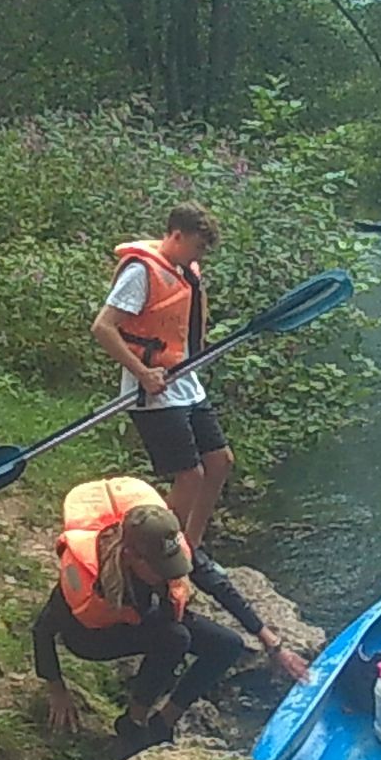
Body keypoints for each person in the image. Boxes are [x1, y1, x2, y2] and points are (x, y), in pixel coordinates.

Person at [34, 477, 309, 758]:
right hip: (92, 638)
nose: (171, 573)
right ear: (131, 556)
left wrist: (271, 642)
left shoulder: (167, 546)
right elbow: (42, 630)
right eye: (161, 567)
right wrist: (57, 688)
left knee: (227, 645)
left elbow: (218, 586)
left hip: (147, 617)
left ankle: (163, 722)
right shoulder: (92, 577)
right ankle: (133, 724)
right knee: (174, 637)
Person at [90, 203, 234, 577]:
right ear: (176, 236)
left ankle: (191, 547)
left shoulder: (185, 271)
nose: (199, 256)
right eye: (198, 247)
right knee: (190, 476)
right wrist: (142, 371)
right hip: (151, 390)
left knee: (220, 462)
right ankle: (146, 560)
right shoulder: (141, 271)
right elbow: (103, 328)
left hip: (185, 382)